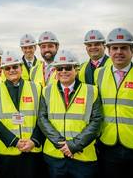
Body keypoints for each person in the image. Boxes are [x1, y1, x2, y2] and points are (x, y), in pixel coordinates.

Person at [38, 50, 103, 178]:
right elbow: (42, 118)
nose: (63, 71)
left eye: (68, 67)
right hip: (55, 156)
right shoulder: (46, 91)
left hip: (83, 157)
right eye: (59, 68)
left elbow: (97, 121)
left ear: (76, 69)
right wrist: (61, 144)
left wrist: (74, 145)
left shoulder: (91, 91)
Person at [95, 28, 133, 178]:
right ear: (108, 51)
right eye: (114, 48)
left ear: (132, 51)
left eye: (124, 47)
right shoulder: (100, 74)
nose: (118, 52)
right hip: (109, 144)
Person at [0, 51, 43, 178]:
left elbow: (42, 118)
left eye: (15, 67)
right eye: (8, 68)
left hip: (32, 149)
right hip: (8, 151)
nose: (12, 70)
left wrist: (34, 141)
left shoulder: (37, 88)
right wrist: (14, 141)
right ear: (2, 70)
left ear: (21, 68)